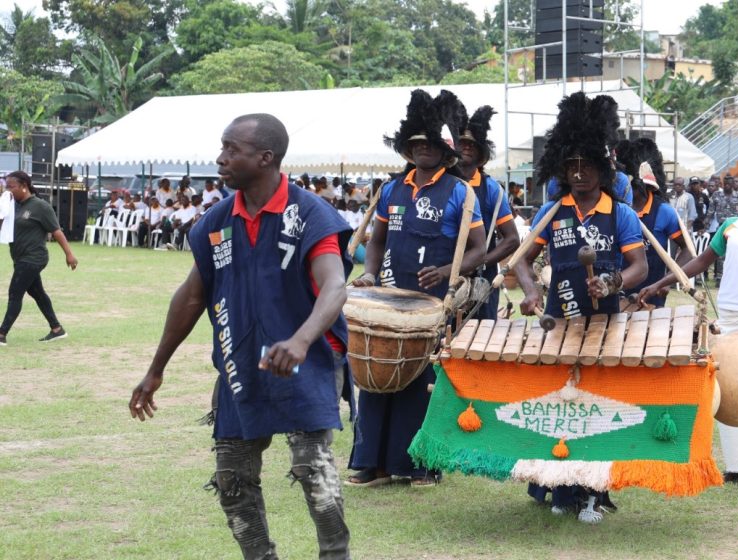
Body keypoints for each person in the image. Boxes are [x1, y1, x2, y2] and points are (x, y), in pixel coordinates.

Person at [128, 113, 354, 559]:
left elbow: (334, 286)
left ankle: (335, 554)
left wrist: (302, 340)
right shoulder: (216, 220)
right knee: (232, 477)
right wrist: (155, 370)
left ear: (265, 158)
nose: (221, 158)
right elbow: (191, 297)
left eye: (233, 150)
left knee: (313, 467)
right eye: (223, 147)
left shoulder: (310, 213)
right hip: (238, 363)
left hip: (303, 362)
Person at [514, 92, 647, 524]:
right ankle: (556, 486)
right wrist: (531, 290)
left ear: (602, 168)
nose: (577, 173)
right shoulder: (554, 212)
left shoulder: (620, 213)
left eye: (585, 165)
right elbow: (519, 260)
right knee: (560, 403)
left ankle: (594, 493)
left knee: (599, 406)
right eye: (570, 166)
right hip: (561, 322)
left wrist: (612, 281)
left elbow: (639, 266)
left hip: (606, 323)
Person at [347, 89, 486, 486]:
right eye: (417, 142)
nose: (424, 149)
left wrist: (445, 272)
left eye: (431, 143)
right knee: (375, 380)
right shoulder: (392, 189)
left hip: (432, 303)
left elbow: (478, 250)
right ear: (408, 146)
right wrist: (371, 276)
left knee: (419, 385)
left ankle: (417, 465)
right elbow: (376, 240)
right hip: (387, 298)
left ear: (445, 151)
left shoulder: (461, 192)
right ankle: (370, 463)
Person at [639, 169, 738, 489]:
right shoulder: (730, 227)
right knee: (725, 392)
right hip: (727, 320)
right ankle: (736, 465)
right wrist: (662, 282)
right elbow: (699, 263)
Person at [455, 104, 519, 321]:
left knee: (480, 332)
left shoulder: (491, 189)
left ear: (481, 151)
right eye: (462, 142)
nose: (466, 147)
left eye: (472, 144)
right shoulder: (442, 184)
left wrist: (482, 262)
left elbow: (511, 239)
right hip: (445, 275)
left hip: (481, 279)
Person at [0, 171, 78, 346]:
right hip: (20, 257)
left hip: (34, 257)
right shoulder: (12, 205)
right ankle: (57, 329)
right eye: (6, 186)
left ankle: (2, 333)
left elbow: (56, 231)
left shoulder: (40, 206)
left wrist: (69, 254)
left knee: (15, 293)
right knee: (36, 292)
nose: (7, 190)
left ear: (24, 187)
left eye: (11, 187)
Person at [618, 138, 690, 308]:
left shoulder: (663, 211)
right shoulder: (615, 210)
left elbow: (687, 249)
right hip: (615, 296)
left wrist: (668, 280)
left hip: (651, 297)